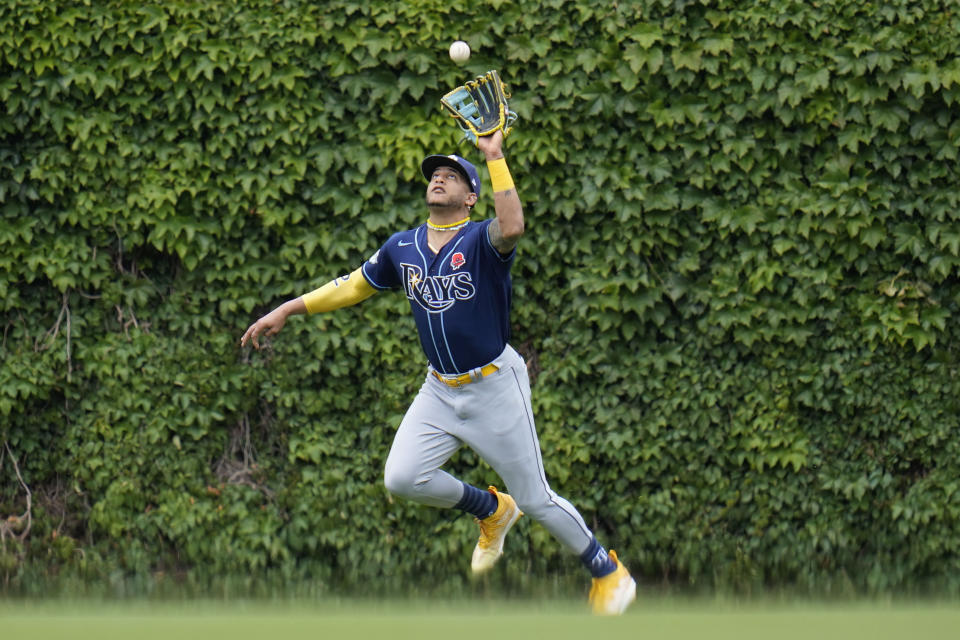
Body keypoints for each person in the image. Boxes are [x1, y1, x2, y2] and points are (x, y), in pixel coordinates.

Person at [240, 131, 636, 615]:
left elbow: (512, 227)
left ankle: (607, 571)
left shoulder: (480, 238)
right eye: (435, 175)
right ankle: (492, 510)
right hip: (438, 389)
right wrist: (288, 308)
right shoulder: (401, 247)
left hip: (494, 385)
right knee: (403, 478)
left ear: (470, 197)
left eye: (452, 176)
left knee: (536, 498)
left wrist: (494, 158)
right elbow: (351, 287)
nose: (439, 178)